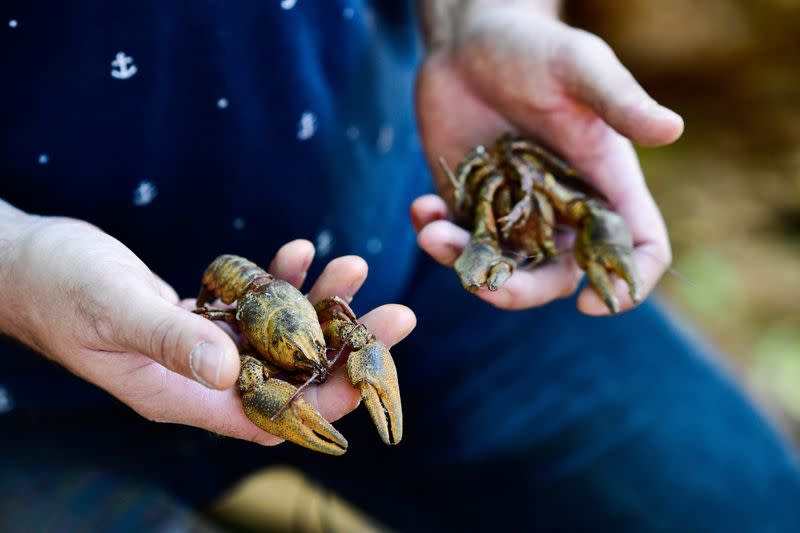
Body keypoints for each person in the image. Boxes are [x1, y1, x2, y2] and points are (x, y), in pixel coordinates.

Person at [1, 1, 799, 531]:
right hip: (25, 390)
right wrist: (19, 265)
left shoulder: (336, 323)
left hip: (411, 243)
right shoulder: (221, 318)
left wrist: (483, 20)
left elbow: (343, 336)